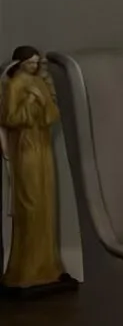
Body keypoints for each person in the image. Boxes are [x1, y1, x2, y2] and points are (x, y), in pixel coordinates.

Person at [2, 46, 65, 288]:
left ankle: (46, 266)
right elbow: (9, 118)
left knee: (46, 204)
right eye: (30, 63)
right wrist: (30, 103)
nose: (34, 67)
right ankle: (26, 269)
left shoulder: (39, 82)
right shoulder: (15, 84)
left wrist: (41, 99)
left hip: (43, 147)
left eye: (36, 63)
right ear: (20, 63)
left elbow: (52, 114)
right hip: (25, 148)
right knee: (30, 205)